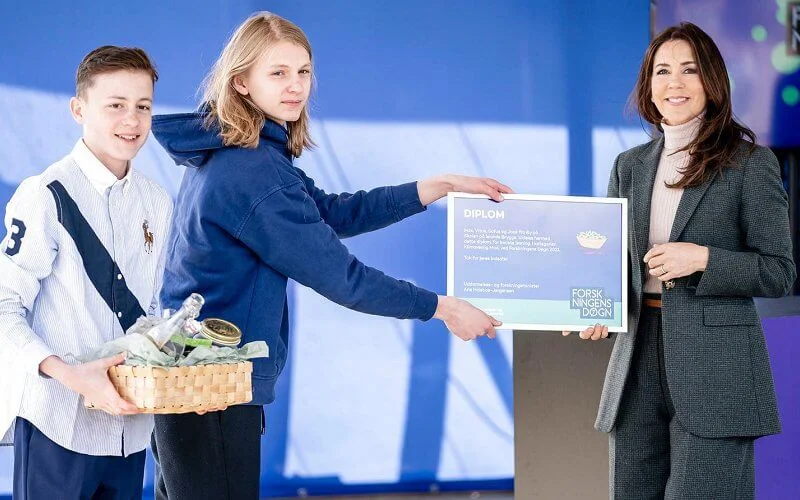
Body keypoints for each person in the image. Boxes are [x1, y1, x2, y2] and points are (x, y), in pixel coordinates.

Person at [149, 11, 511, 499]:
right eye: (277, 73)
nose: (295, 86)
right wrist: (444, 309)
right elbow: (344, 279)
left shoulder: (237, 153)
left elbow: (330, 212)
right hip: (212, 386)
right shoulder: (251, 172)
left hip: (195, 380)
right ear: (241, 83)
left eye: (303, 72)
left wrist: (436, 186)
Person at [564, 22, 796, 499]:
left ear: (713, 81)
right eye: (662, 71)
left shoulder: (750, 163)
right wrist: (595, 311)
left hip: (718, 370)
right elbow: (612, 267)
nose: (675, 83)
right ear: (648, 87)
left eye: (689, 70)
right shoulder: (629, 166)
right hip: (637, 360)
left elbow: (779, 271)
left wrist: (705, 259)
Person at [0, 46, 172, 498]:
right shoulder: (44, 195)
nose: (131, 121)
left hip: (130, 426)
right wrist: (71, 375)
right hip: (59, 424)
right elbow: (3, 306)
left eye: (143, 106)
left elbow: (152, 311)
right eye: (115, 105)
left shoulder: (157, 201)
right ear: (79, 109)